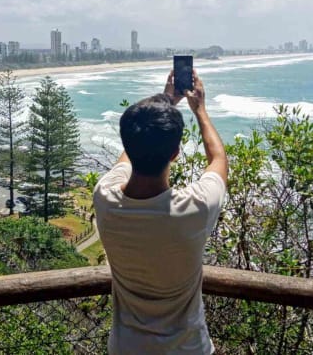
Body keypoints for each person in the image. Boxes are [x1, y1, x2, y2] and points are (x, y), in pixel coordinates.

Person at [93, 69, 228, 354]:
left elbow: (125, 160)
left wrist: (167, 101)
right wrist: (200, 109)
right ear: (175, 153)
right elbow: (218, 159)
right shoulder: (195, 208)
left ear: (127, 144)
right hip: (188, 348)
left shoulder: (105, 199)